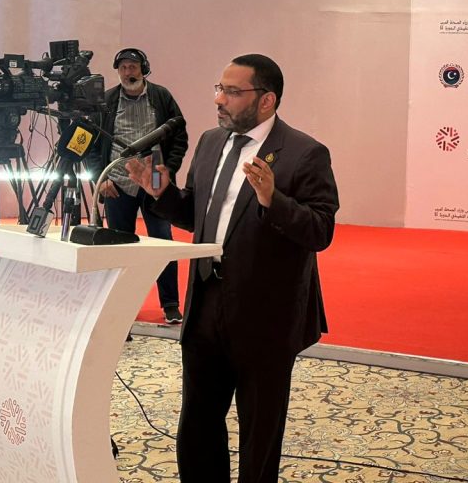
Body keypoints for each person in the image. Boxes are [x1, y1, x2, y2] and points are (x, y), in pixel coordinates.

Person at [126, 53, 339, 483]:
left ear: (266, 100)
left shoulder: (305, 153)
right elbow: (197, 213)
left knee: (259, 431)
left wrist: (272, 200)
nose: (219, 99)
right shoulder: (210, 142)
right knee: (198, 423)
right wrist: (161, 193)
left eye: (232, 92)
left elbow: (320, 230)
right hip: (205, 303)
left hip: (265, 316)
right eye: (219, 89)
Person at [98, 47, 189, 324]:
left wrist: (168, 170)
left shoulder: (161, 96)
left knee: (162, 242)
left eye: (133, 67)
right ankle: (121, 305)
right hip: (118, 181)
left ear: (144, 69)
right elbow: (92, 142)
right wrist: (100, 178)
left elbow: (179, 136)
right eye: (123, 68)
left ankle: (170, 304)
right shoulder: (107, 101)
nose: (128, 72)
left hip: (156, 179)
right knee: (119, 246)